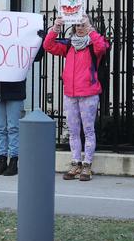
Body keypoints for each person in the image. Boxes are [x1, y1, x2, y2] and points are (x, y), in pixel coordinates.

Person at [43, 17, 110, 181]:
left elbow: (102, 47)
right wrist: (56, 27)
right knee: (73, 131)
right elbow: (48, 46)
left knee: (88, 131)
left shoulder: (94, 44)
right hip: (70, 94)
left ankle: (87, 165)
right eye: (77, 25)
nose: (80, 28)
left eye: (83, 25)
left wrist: (91, 29)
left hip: (89, 93)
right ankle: (75, 163)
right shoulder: (69, 45)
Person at [0, 28, 46, 177]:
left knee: (13, 127)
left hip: (14, 91)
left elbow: (36, 56)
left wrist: (41, 40)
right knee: (1, 128)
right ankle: (2, 160)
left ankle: (13, 161)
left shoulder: (20, 46)